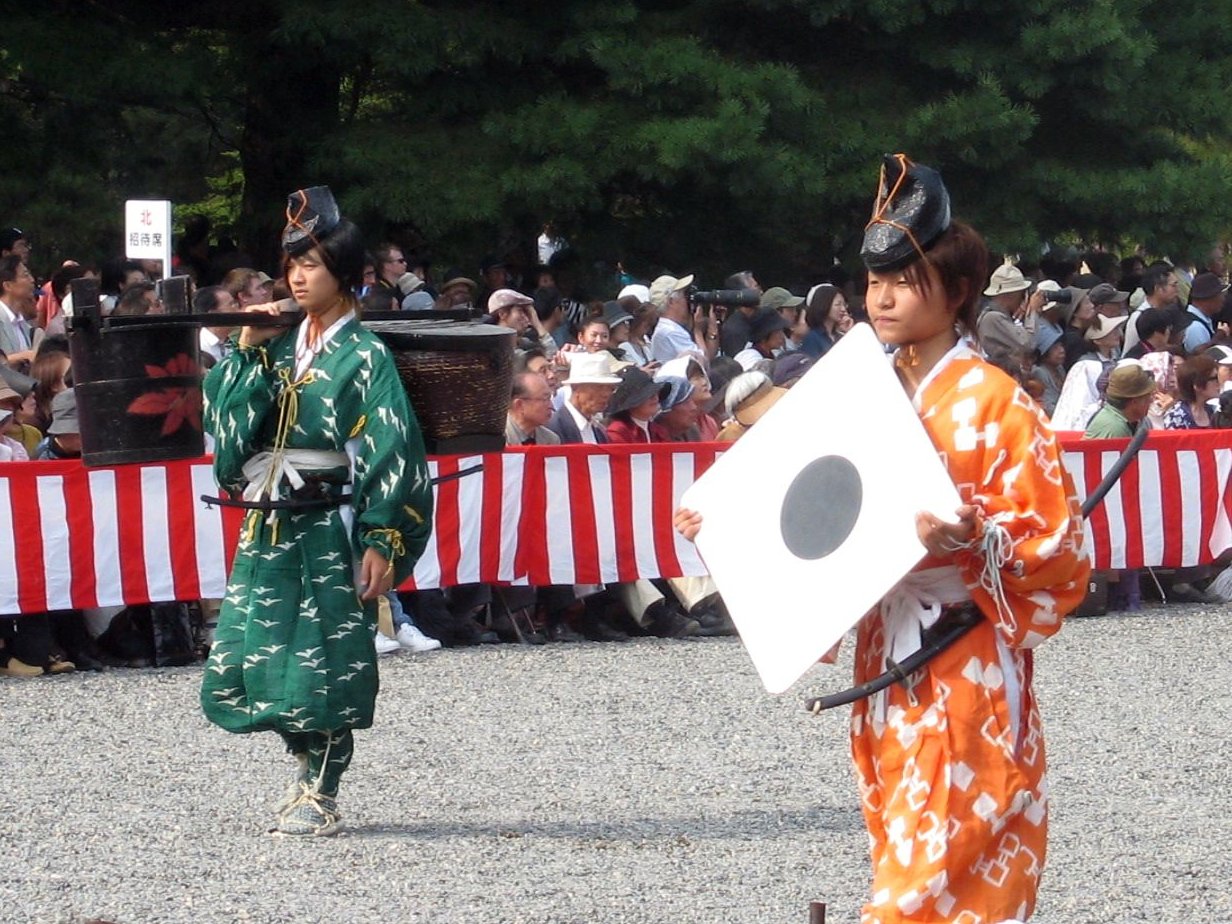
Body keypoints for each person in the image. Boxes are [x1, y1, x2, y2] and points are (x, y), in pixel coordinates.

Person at [677, 154, 1089, 924]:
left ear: (957, 291)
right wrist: (729, 525)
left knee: (939, 867)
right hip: (886, 651)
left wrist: (974, 538)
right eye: (875, 282)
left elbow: (1058, 546)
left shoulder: (999, 404)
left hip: (963, 652)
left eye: (906, 280)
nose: (885, 297)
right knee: (904, 842)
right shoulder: (854, 391)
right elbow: (805, 511)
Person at [201, 186, 432, 837]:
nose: (298, 278)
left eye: (313, 265)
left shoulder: (365, 355)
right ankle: (302, 763)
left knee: (324, 656)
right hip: (270, 518)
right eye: (292, 265)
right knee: (261, 652)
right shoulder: (277, 345)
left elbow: (393, 448)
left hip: (330, 522)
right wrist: (248, 348)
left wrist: (383, 537)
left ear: (346, 274)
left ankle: (320, 786)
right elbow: (228, 434)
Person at [1083, 363, 1156, 437]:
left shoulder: (1116, 418)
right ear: (1134, 401)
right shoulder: (1116, 428)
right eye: (1148, 397)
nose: (1151, 401)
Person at [1163, 354, 1219, 429]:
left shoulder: (1214, 412)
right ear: (1197, 385)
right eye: (1215, 378)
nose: (1218, 382)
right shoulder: (1175, 416)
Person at [800, 284, 852, 358]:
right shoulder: (812, 338)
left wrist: (849, 332)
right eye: (838, 304)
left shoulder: (839, 336)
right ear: (824, 305)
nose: (843, 309)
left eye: (844, 305)